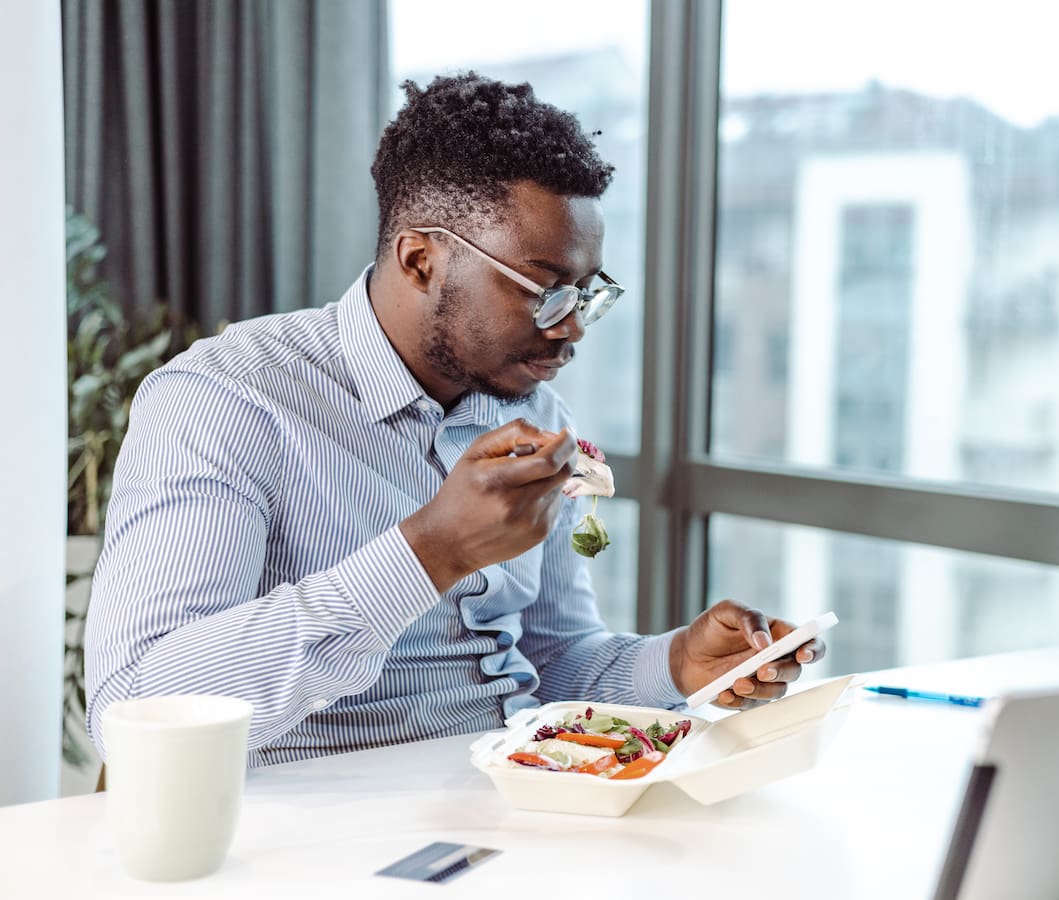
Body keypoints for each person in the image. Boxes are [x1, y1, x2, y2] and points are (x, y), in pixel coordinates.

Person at [85, 73, 825, 767]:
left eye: (587, 293)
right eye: (545, 290)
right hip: (322, 830)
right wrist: (429, 551)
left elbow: (552, 661)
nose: (572, 330)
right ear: (419, 260)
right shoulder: (225, 401)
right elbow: (136, 706)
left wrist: (675, 664)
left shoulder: (532, 408)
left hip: (516, 802)